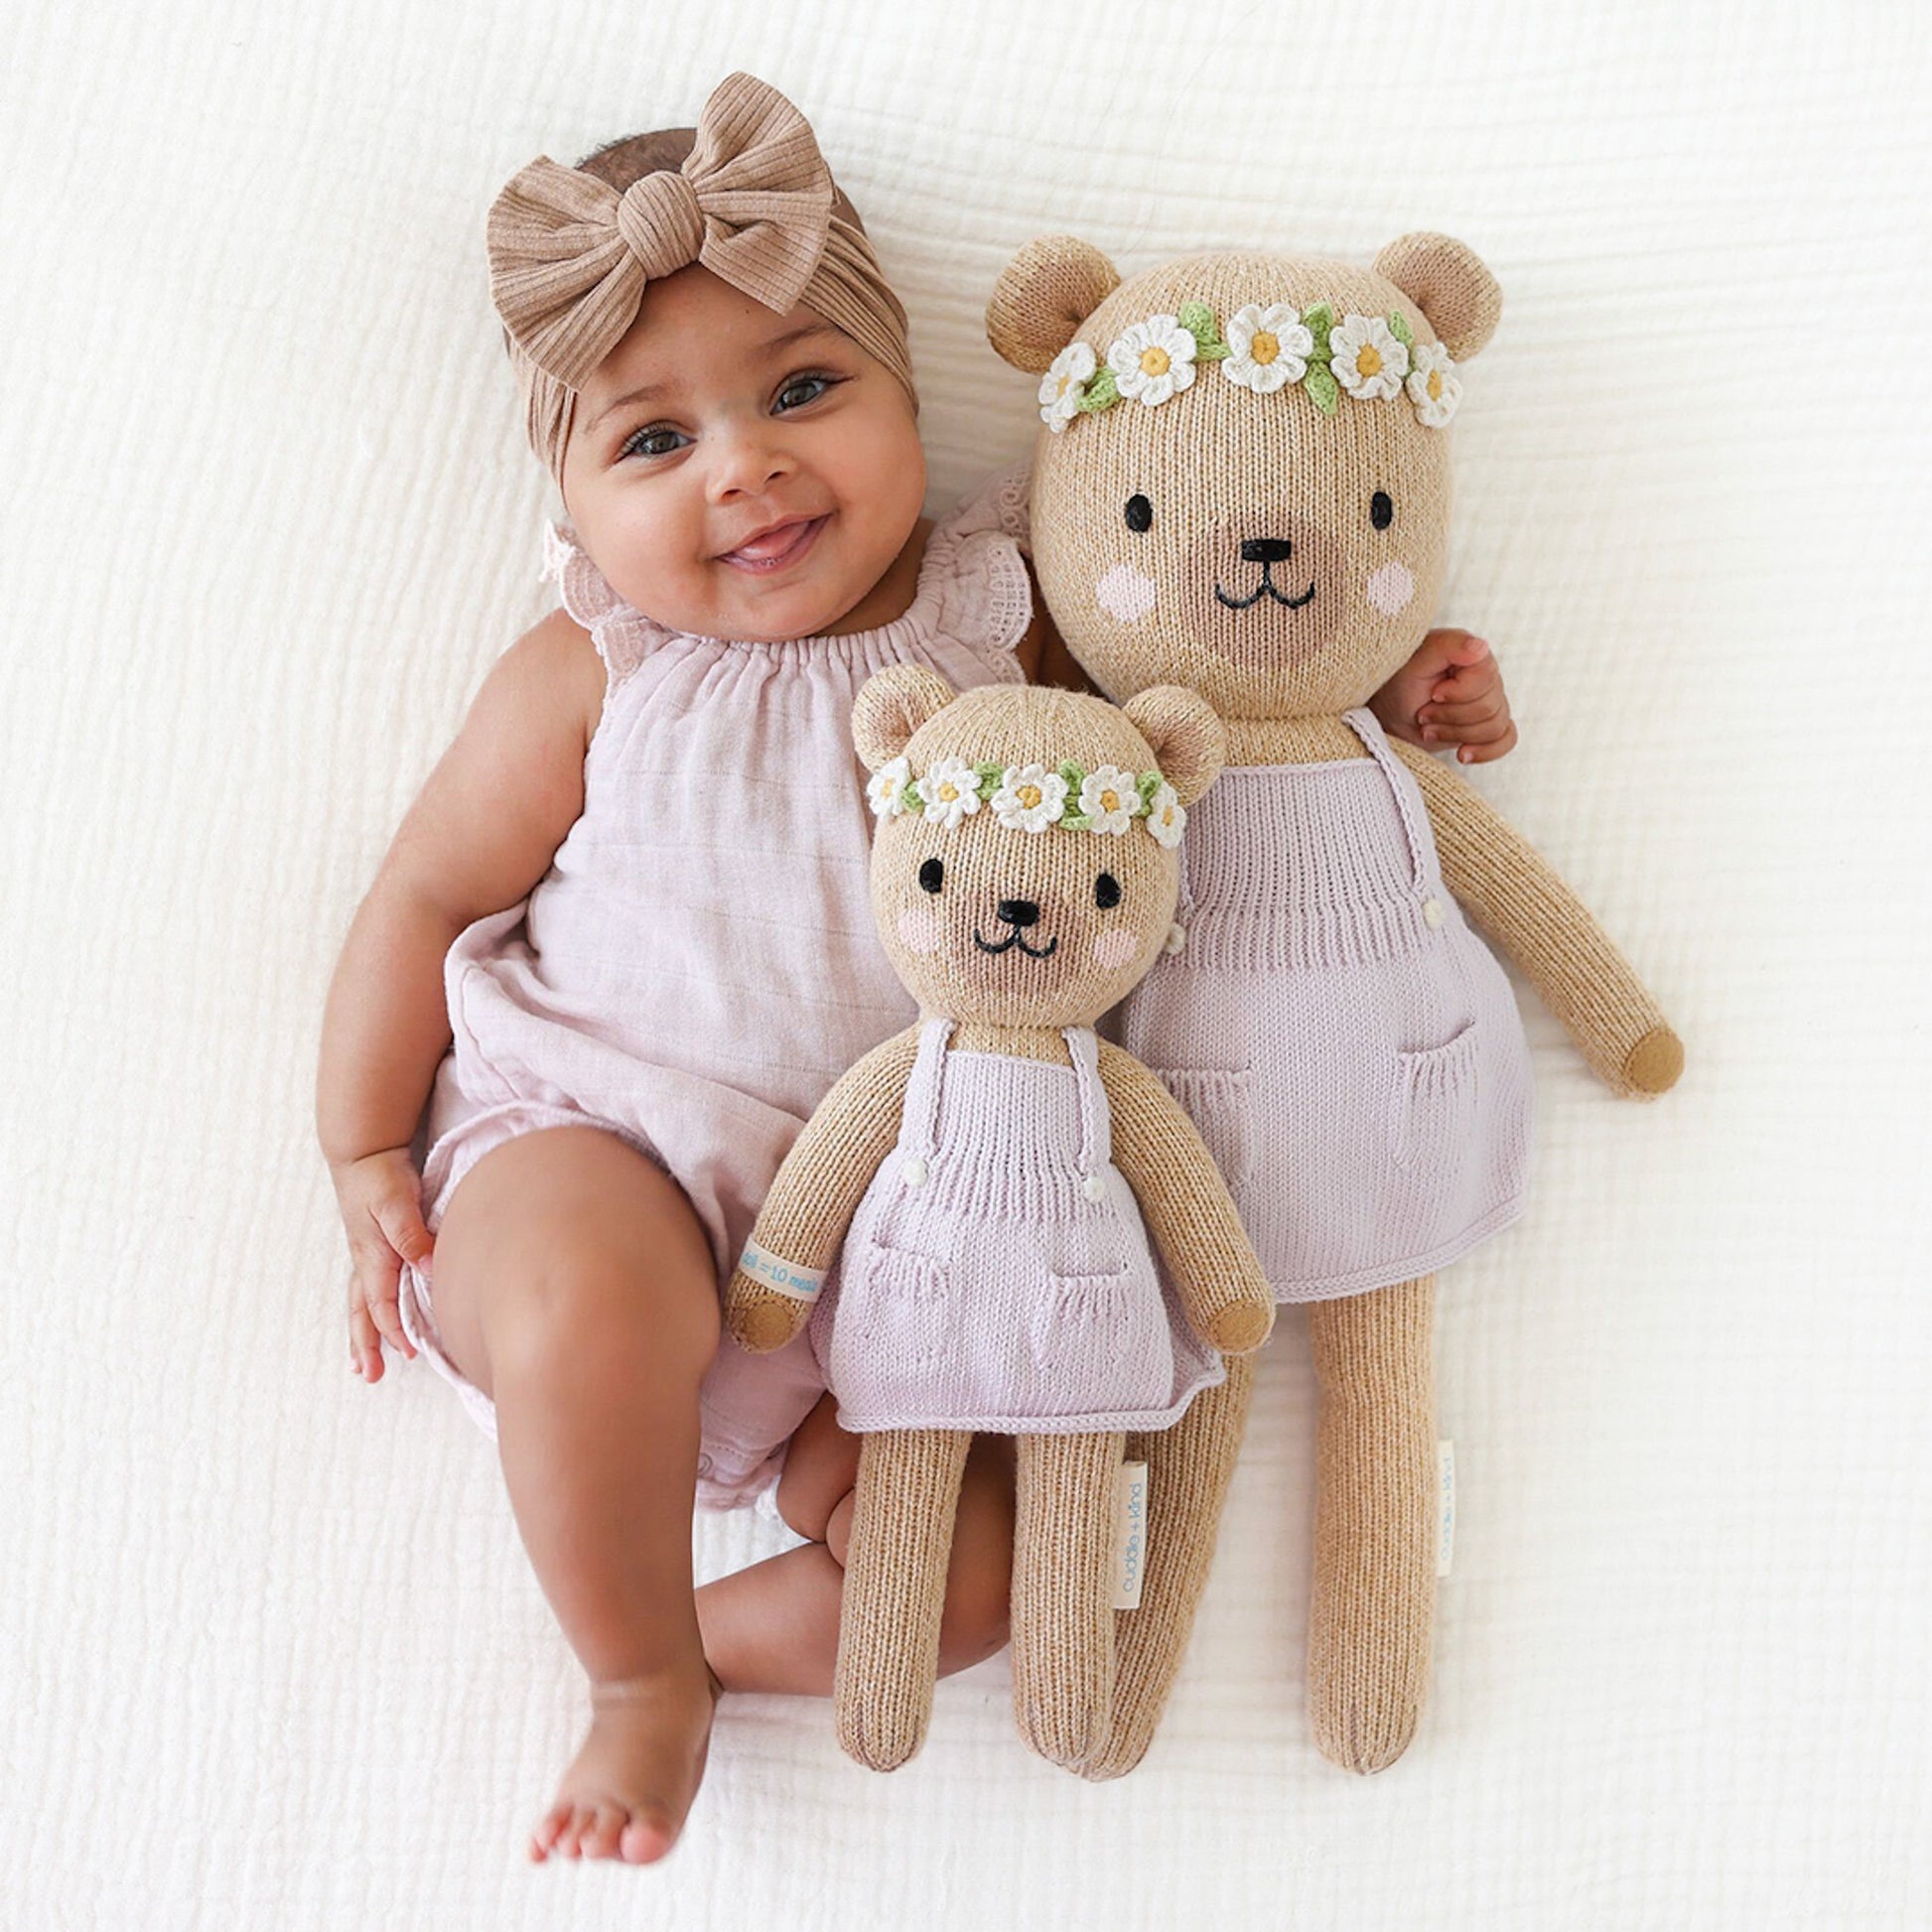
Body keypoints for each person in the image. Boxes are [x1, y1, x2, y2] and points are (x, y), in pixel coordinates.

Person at [316, 71, 1519, 1867]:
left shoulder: (1008, 609)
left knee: (981, 1576)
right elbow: (419, 894)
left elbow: (1229, 676)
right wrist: (362, 1154)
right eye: (652, 442)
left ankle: (707, 1652)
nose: (745, 464)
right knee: (587, 1295)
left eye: (804, 388)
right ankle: (635, 1675)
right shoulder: (596, 663)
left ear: (902, 393)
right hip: (596, 1143)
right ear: (567, 499)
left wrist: (1395, 688)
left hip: (915, 1241)